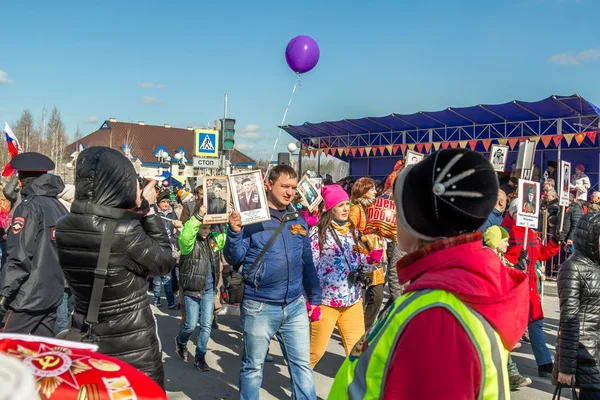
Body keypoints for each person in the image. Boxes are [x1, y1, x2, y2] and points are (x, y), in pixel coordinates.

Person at [330, 148, 530, 399]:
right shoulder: (444, 294)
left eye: (398, 208)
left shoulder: (437, 315)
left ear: (416, 219)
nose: (392, 219)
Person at [55, 147, 174, 388]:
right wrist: (148, 210)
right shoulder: (124, 232)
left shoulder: (65, 225)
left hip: (86, 334)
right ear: (119, 182)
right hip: (132, 346)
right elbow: (164, 262)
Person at [224, 165, 321, 400]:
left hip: (294, 305)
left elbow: (307, 261)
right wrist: (235, 232)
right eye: (284, 186)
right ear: (269, 185)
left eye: (293, 188)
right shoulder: (251, 217)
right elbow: (233, 257)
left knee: (301, 366)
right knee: (253, 367)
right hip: (260, 306)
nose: (289, 192)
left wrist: (315, 297)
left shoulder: (298, 218)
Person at [308, 185, 382, 369]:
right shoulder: (317, 234)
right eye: (340, 205)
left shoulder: (352, 231)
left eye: (346, 204)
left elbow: (358, 264)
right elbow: (308, 270)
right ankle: (299, 390)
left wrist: (370, 260)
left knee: (358, 354)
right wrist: (309, 302)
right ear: (330, 208)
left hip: (352, 301)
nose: (345, 209)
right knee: (314, 354)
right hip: (326, 303)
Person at [0, 153, 67, 337]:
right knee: (42, 355)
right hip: (51, 292)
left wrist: (4, 292)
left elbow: (19, 256)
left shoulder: (29, 207)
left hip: (27, 297)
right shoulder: (57, 206)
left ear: (21, 181)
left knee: (6, 351)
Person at [503, 198, 563, 377]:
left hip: (531, 287)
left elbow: (542, 254)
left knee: (536, 324)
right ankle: (506, 365)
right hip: (513, 287)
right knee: (508, 327)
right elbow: (497, 258)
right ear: (514, 212)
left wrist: (554, 244)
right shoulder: (505, 230)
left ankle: (544, 363)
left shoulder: (532, 232)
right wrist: (515, 264)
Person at [174, 204, 226, 372]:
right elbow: (186, 235)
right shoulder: (188, 242)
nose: (206, 230)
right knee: (190, 324)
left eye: (208, 227)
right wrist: (198, 216)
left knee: (206, 325)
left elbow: (226, 237)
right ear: (196, 226)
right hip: (192, 288)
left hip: (209, 289)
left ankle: (200, 356)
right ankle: (181, 342)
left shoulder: (212, 240)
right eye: (203, 227)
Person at [554, 212, 600, 399]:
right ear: (592, 236)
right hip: (585, 355)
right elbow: (569, 320)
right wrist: (566, 367)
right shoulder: (573, 267)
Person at [483, 225, 533, 390]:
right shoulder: (486, 255)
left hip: (496, 307)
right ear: (495, 241)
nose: (508, 245)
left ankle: (509, 375)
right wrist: (517, 268)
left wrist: (520, 264)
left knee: (498, 343)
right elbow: (500, 275)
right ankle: (509, 375)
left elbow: (509, 272)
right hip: (486, 307)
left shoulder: (497, 255)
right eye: (504, 241)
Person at [349, 177, 384, 330]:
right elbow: (349, 231)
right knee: (360, 297)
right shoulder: (356, 209)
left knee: (378, 296)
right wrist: (365, 237)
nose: (376, 191)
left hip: (376, 256)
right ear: (363, 191)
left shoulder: (376, 207)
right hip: (362, 256)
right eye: (372, 189)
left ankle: (365, 327)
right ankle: (358, 330)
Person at [153, 189, 179, 309]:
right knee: (157, 280)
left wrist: (172, 239)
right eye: (163, 201)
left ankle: (171, 302)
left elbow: (175, 231)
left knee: (168, 278)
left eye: (168, 202)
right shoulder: (153, 213)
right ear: (158, 202)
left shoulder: (171, 214)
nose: (166, 204)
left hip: (168, 249)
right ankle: (156, 299)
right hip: (156, 249)